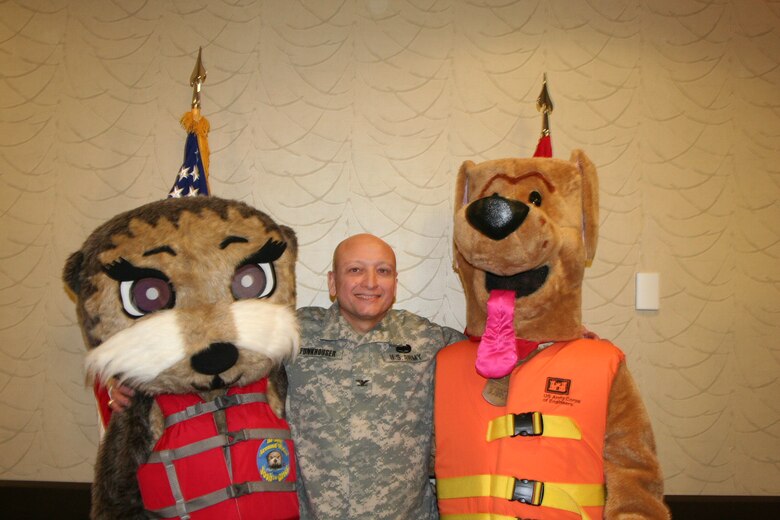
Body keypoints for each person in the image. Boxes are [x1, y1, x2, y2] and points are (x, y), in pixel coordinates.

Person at [106, 233, 465, 520]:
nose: (370, 282)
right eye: (355, 270)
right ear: (332, 282)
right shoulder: (292, 331)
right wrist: (133, 379)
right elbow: (206, 351)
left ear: (395, 281)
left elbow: (491, 357)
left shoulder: (429, 339)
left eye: (383, 271)